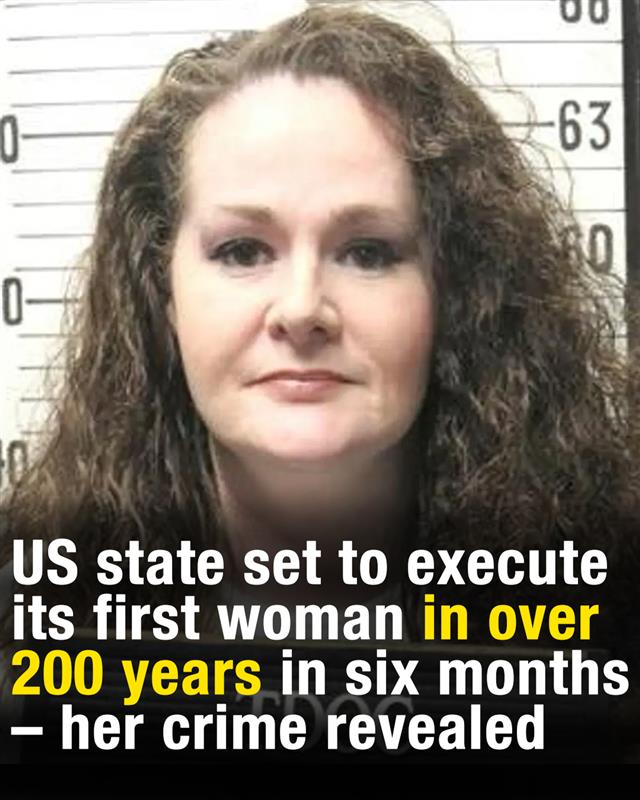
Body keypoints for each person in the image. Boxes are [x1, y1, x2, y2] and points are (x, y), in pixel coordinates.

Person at [0, 1, 638, 717]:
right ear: (163, 295)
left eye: (368, 252)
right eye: (243, 251)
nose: (302, 308)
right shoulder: (28, 635)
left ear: (458, 295)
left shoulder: (606, 629)